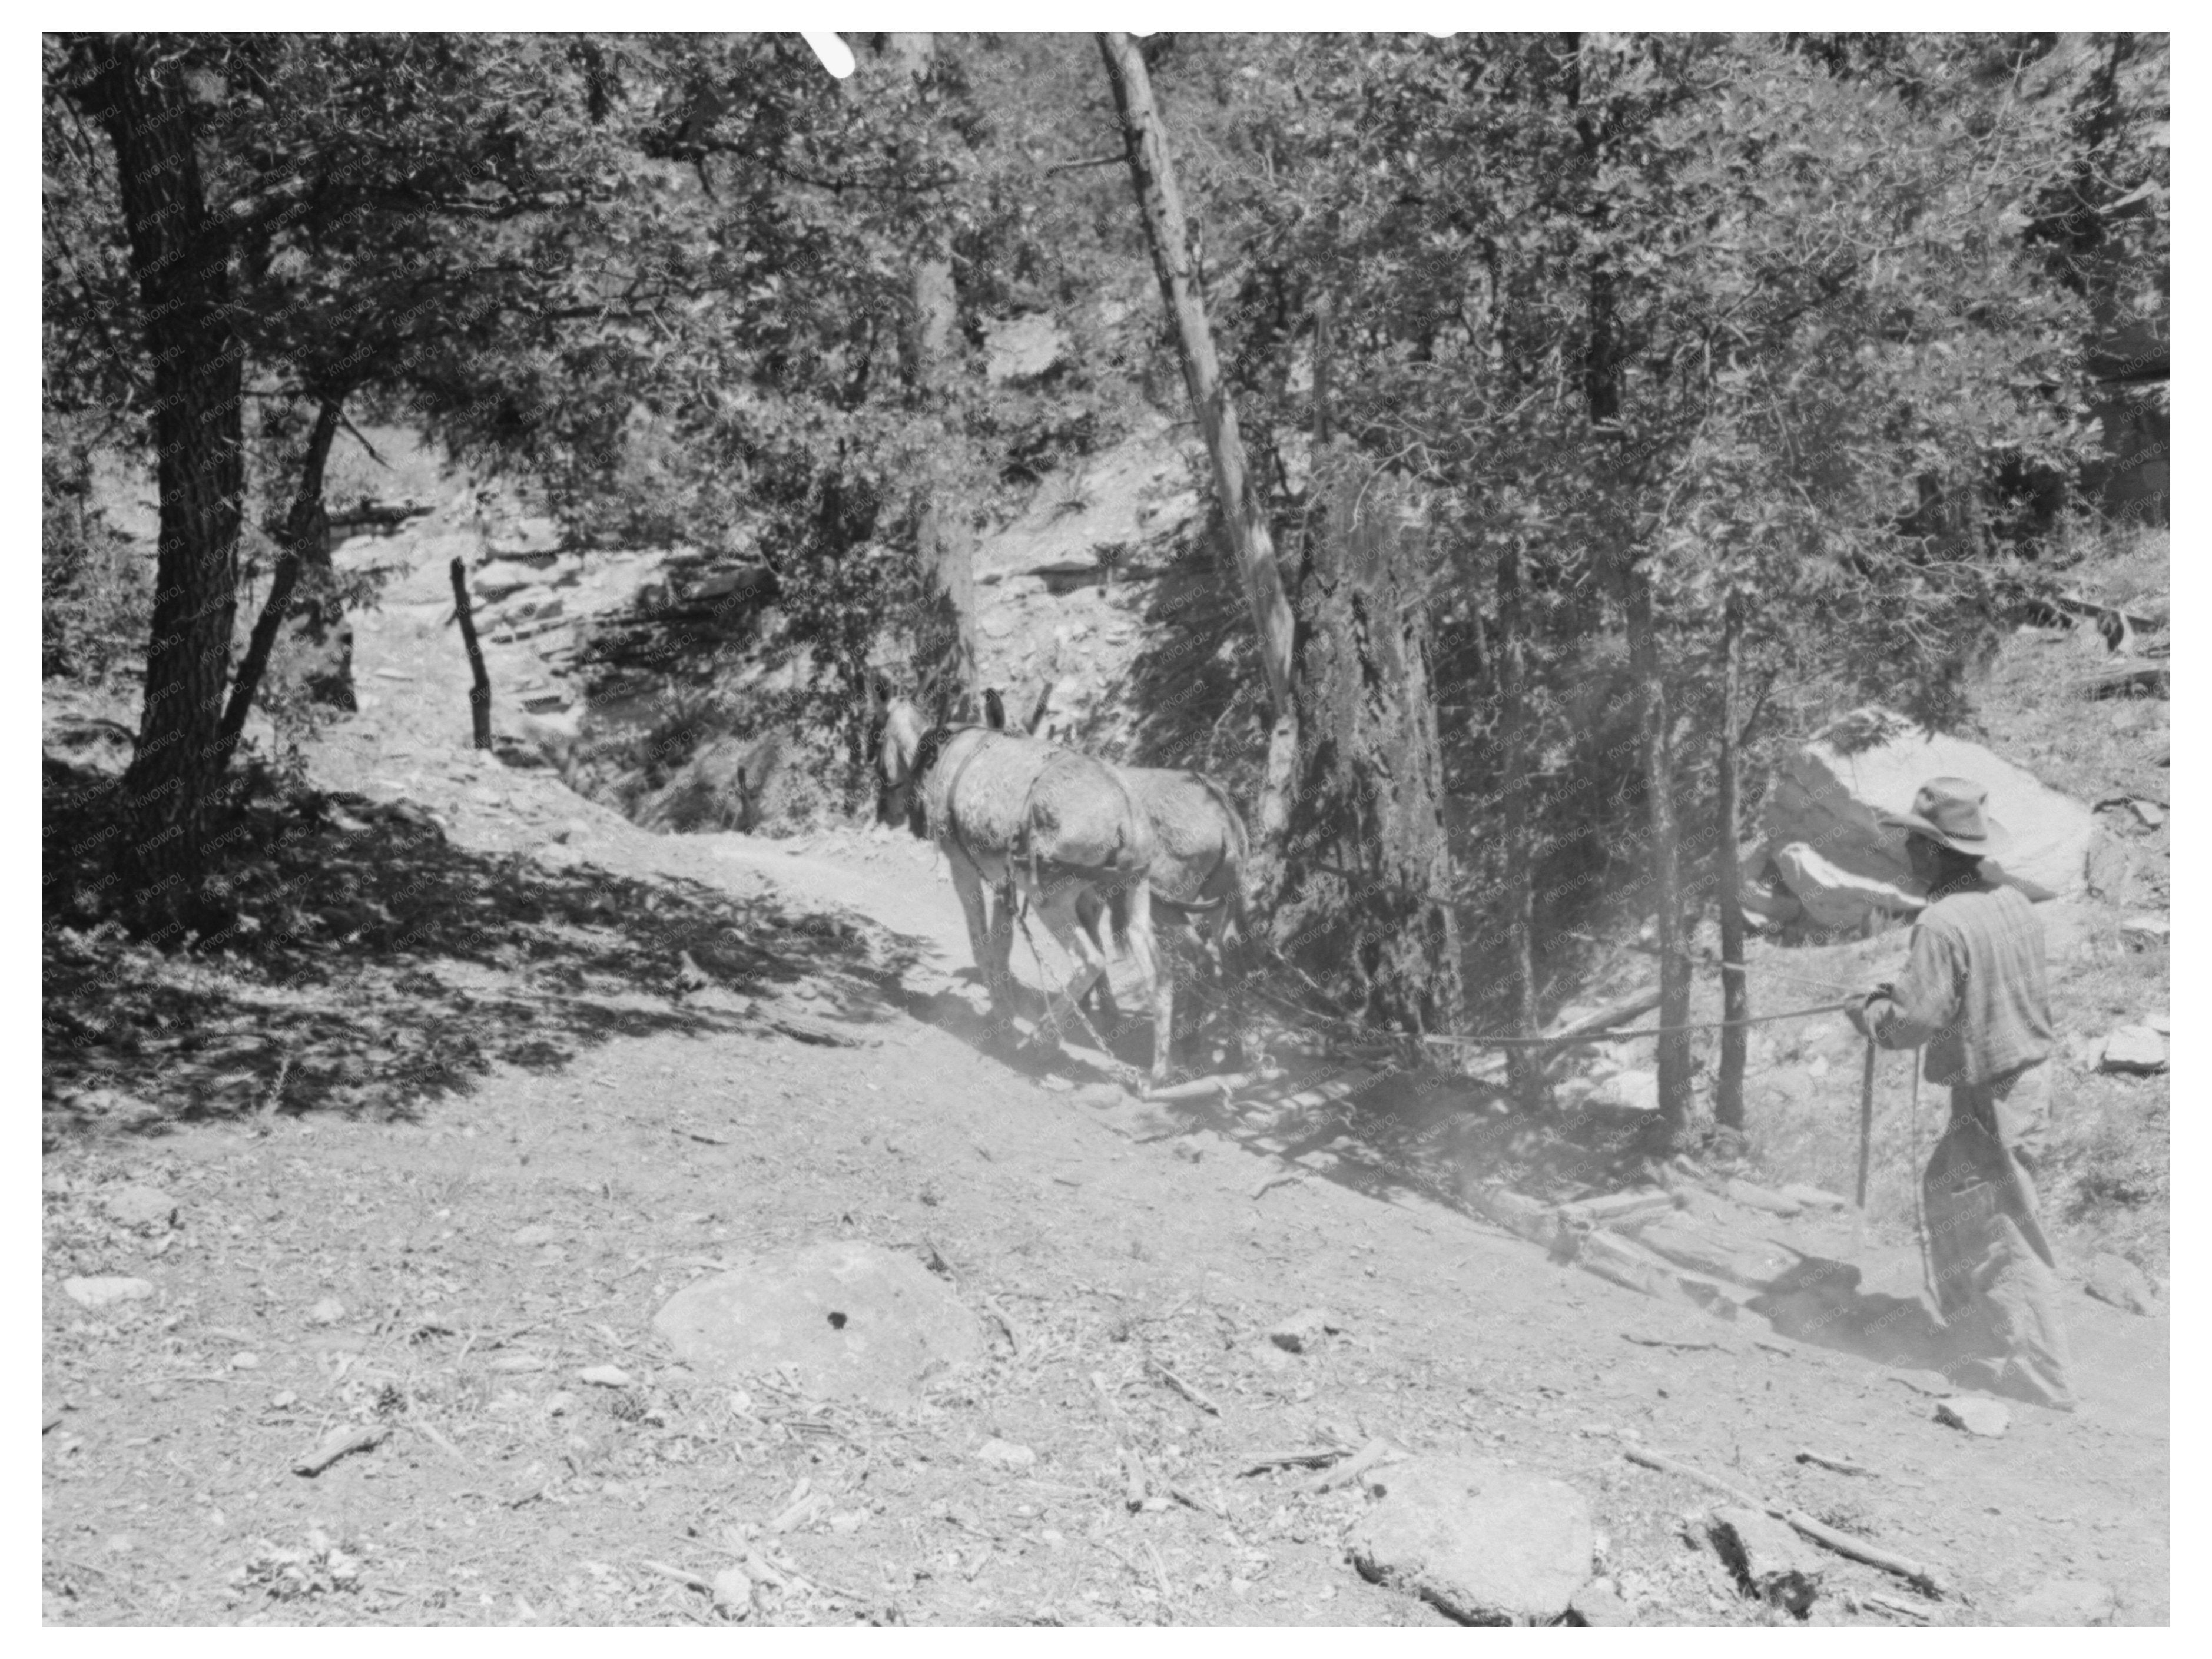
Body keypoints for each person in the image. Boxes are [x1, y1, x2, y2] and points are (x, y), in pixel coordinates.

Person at [1848, 777, 2075, 1411]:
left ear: (1930, 849)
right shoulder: (2010, 900)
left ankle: (2040, 1377)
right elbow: (1958, 993)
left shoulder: (1942, 921)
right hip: (2019, 1080)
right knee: (1948, 1197)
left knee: (2004, 1228)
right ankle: (1973, 1337)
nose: (1906, 854)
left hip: (1993, 1094)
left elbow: (1912, 1024)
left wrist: (1870, 1013)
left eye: (1911, 843)